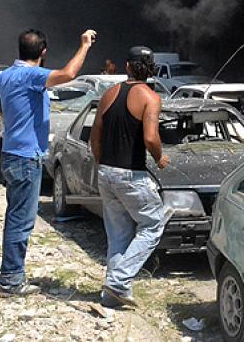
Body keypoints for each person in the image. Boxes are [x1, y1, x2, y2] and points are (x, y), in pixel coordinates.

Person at [0, 27, 95, 295]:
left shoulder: (7, 75)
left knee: (15, 215)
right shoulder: (31, 75)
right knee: (22, 219)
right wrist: (84, 44)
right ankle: (11, 281)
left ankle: (10, 271)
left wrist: (0, 112)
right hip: (26, 158)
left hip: (12, 154)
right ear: (43, 52)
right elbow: (68, 74)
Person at [89, 45, 170, 309]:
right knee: (153, 223)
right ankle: (118, 281)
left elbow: (94, 137)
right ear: (152, 69)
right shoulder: (150, 97)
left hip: (106, 171)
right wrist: (159, 157)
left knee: (119, 235)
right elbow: (150, 137)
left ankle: (111, 296)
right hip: (131, 175)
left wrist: (103, 164)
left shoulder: (110, 93)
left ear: (127, 67)